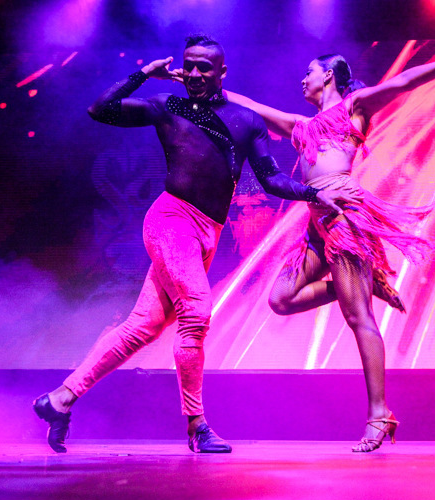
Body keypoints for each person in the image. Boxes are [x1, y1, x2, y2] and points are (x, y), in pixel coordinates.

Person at [33, 35, 359, 454]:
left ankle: (60, 399)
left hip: (208, 234)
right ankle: (197, 425)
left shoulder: (246, 121)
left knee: (142, 327)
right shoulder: (167, 106)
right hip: (171, 223)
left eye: (205, 67)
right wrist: (144, 74)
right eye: (189, 65)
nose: (195, 73)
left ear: (222, 73)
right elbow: (101, 109)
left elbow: (272, 179)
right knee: (197, 312)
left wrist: (315, 194)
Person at [225, 52, 435, 452]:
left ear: (328, 76)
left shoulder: (355, 107)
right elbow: (254, 107)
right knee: (280, 299)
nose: (302, 79)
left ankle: (380, 414)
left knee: (358, 317)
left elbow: (404, 82)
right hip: (316, 225)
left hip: (345, 217)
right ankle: (363, 285)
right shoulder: (301, 126)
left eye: (309, 72)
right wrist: (207, 89)